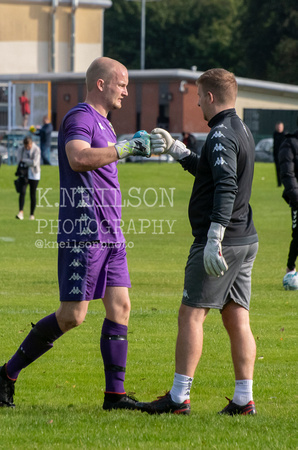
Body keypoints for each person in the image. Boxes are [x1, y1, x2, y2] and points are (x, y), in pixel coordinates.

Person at [0, 56, 151, 410]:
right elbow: (78, 157)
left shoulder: (106, 124)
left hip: (112, 233)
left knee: (120, 307)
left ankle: (115, 397)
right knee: (72, 316)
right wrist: (125, 149)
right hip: (85, 230)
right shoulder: (80, 117)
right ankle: (6, 373)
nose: (126, 90)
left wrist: (128, 146)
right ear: (101, 84)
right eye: (121, 84)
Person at [136, 68, 259, 416]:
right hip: (246, 238)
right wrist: (177, 150)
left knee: (191, 314)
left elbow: (226, 185)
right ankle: (243, 399)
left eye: (198, 96)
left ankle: (178, 398)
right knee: (237, 318)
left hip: (222, 240)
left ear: (209, 97)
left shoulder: (220, 134)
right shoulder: (240, 128)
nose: (196, 102)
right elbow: (210, 171)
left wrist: (214, 236)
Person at [278, 119, 298, 281]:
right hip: (297, 200)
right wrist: (296, 198)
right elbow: (288, 174)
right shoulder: (289, 144)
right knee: (297, 235)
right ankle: (290, 268)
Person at [15, 136, 41, 220]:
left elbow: (34, 163)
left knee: (32, 194)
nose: (27, 148)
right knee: (22, 192)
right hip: (24, 173)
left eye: (28, 146)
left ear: (31, 144)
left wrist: (25, 160)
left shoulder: (36, 149)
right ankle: (20, 212)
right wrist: (27, 161)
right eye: (26, 146)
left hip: (34, 174)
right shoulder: (21, 149)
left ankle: (31, 214)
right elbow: (19, 160)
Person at [273, 121, 286, 187]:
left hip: (283, 155)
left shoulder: (285, 135)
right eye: (278, 126)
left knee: (283, 170)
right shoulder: (275, 134)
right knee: (277, 170)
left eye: (280, 126)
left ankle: (284, 182)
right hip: (276, 155)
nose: (279, 128)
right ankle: (279, 183)